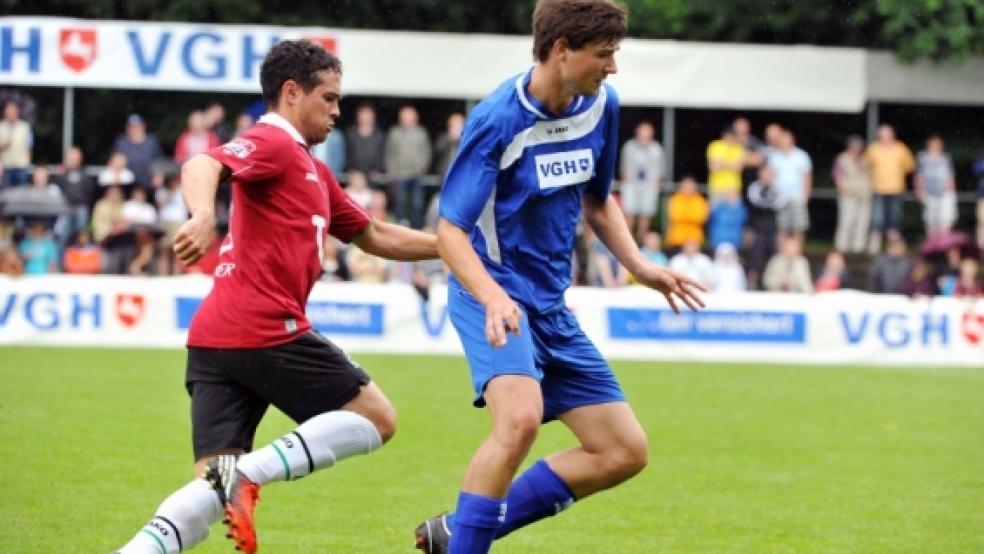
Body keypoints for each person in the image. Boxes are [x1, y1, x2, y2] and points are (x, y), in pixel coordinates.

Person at [115, 39, 438, 554]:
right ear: (291, 93)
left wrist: (452, 248)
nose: (337, 111)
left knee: (207, 495)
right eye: (328, 98)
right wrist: (201, 215)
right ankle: (248, 475)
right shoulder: (275, 142)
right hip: (263, 327)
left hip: (215, 338)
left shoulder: (313, 169)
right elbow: (202, 166)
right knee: (378, 417)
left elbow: (375, 235)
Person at [411, 3, 704, 553]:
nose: (613, 67)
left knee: (623, 451)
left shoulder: (601, 106)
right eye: (605, 54)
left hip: (549, 305)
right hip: (491, 294)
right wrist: (493, 295)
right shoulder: (498, 119)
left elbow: (598, 200)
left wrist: (639, 266)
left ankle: (459, 531)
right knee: (520, 420)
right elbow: (450, 231)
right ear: (562, 49)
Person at [864, 124, 915, 254]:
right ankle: (874, 245)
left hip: (896, 189)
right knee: (877, 218)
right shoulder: (873, 148)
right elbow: (866, 165)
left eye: (887, 134)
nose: (885, 137)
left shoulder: (901, 148)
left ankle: (895, 247)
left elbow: (909, 166)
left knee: (894, 218)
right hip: (878, 189)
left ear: (892, 134)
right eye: (882, 134)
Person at [385, 104, 432, 228]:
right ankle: (399, 227)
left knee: (417, 204)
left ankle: (416, 228)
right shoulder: (394, 133)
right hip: (400, 174)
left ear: (415, 117)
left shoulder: (421, 133)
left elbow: (426, 152)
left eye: (409, 115)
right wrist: (392, 171)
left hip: (417, 174)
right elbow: (390, 153)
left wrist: (421, 168)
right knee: (400, 203)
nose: (407, 118)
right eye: (404, 115)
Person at [619, 120, 664, 243]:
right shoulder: (629, 146)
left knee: (646, 215)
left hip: (649, 185)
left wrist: (654, 184)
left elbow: (659, 171)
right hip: (632, 184)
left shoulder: (657, 149)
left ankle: (640, 242)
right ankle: (628, 241)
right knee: (629, 213)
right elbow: (624, 168)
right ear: (637, 132)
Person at [768, 129, 812, 244]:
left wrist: (805, 196)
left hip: (797, 197)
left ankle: (797, 255)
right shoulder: (774, 157)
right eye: (782, 140)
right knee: (781, 228)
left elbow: (807, 177)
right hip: (779, 199)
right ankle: (782, 255)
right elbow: (770, 176)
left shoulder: (801, 156)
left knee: (799, 227)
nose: (784, 142)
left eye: (786, 139)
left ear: (792, 140)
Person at [832, 135, 872, 254]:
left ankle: (858, 247)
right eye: (855, 145)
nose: (858, 148)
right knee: (846, 221)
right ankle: (842, 247)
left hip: (864, 195)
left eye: (859, 145)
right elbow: (837, 176)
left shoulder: (865, 159)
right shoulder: (842, 158)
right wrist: (843, 189)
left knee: (862, 222)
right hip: (848, 195)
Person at [914, 135, 957, 238]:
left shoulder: (946, 157)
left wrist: (951, 192)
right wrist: (919, 190)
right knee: (931, 221)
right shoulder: (922, 157)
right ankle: (932, 246)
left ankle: (944, 244)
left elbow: (950, 175)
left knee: (946, 219)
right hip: (929, 193)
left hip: (944, 192)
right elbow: (918, 175)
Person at [112, 113, 164, 189]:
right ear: (127, 128)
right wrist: (116, 172)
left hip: (148, 182)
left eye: (137, 126)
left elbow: (159, 161)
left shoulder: (152, 142)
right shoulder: (121, 142)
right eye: (131, 126)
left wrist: (159, 175)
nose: (134, 129)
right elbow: (115, 160)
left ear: (143, 126)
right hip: (127, 182)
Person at [664, 175, 709, 251]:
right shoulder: (675, 199)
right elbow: (675, 216)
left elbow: (701, 218)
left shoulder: (700, 200)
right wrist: (691, 215)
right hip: (677, 239)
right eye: (686, 186)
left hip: (695, 238)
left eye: (691, 186)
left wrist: (684, 214)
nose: (689, 188)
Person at [705, 125, 745, 203]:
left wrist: (721, 162)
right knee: (715, 213)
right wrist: (731, 163)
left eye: (733, 136)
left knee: (733, 213)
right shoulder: (715, 146)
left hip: (733, 188)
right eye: (729, 136)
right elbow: (713, 167)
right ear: (723, 135)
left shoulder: (739, 148)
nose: (730, 139)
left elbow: (739, 168)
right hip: (716, 187)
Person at [0, 101, 32, 188]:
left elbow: (29, 146)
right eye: (9, 111)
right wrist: (5, 144)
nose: (11, 113)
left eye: (13, 111)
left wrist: (27, 163)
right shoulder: (1, 126)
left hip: (21, 167)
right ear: (5, 112)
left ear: (17, 112)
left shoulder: (24, 126)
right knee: (6, 194)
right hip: (6, 167)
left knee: (21, 194)